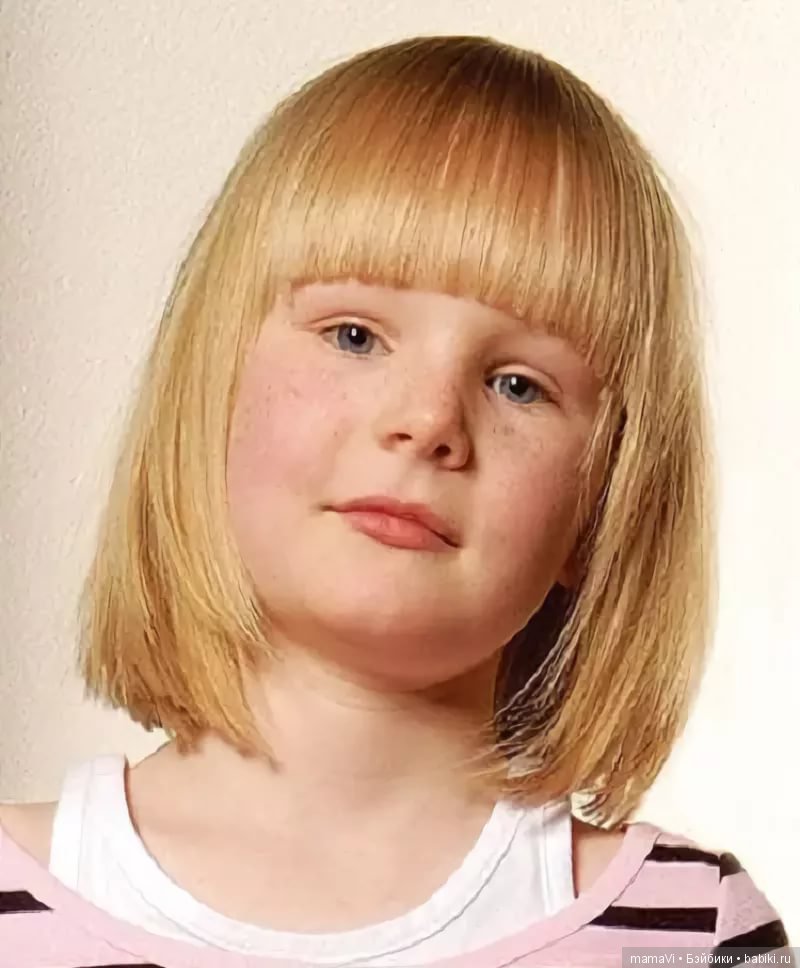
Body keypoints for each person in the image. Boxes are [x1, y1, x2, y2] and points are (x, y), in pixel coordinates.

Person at [0, 33, 791, 968]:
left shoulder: (695, 931)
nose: (428, 420)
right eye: (354, 335)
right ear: (208, 391)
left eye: (519, 385)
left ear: (604, 500)